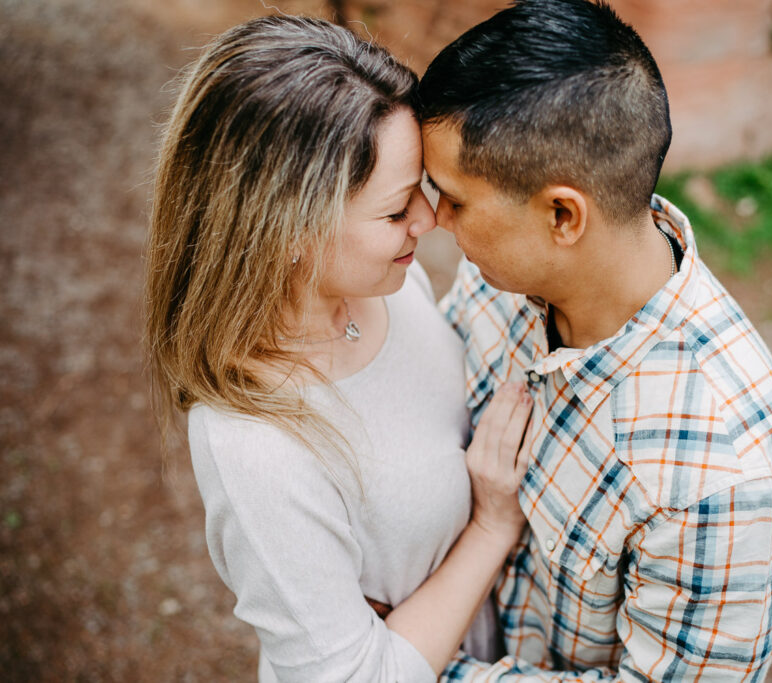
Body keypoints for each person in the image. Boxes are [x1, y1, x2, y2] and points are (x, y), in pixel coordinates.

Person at [418, 0, 772, 680]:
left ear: (563, 215)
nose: (432, 217)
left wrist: (397, 663)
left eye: (453, 198)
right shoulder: (502, 274)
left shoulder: (728, 480)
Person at [143, 15, 535, 682]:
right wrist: (492, 529)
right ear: (290, 230)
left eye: (421, 187)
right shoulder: (253, 444)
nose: (429, 219)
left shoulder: (381, 280)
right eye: (393, 210)